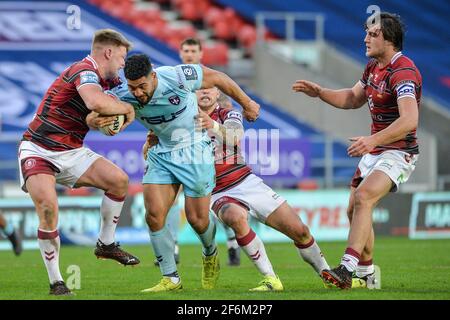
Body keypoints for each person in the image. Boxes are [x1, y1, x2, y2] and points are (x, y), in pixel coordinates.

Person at [90, 53, 259, 292]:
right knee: (154, 215)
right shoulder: (121, 94)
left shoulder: (178, 76)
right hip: (161, 151)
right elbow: (91, 114)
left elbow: (219, 78)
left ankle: (210, 253)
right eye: (132, 87)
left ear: (153, 76)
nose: (137, 92)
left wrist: (248, 103)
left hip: (195, 150)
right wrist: (97, 122)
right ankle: (171, 278)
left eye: (142, 86)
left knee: (197, 220)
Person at [144, 87, 330, 291]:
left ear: (217, 94)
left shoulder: (228, 114)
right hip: (215, 191)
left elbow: (235, 136)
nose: (205, 93)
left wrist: (212, 124)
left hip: (245, 181)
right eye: (199, 90)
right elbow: (148, 153)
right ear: (191, 95)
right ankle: (270, 278)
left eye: (209, 89)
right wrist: (149, 144)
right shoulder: (178, 121)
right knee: (234, 217)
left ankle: (328, 274)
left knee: (300, 231)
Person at [292, 12, 421, 289]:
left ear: (390, 40)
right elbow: (352, 98)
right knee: (353, 209)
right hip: (376, 149)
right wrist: (321, 92)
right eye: (366, 32)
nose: (365, 38)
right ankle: (366, 272)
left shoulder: (404, 71)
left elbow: (410, 120)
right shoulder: (373, 67)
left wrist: (373, 141)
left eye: (373, 34)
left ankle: (346, 270)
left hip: (398, 151)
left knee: (363, 197)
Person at [18, 29, 139, 296]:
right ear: (108, 52)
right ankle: (57, 282)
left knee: (118, 181)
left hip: (72, 150)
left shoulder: (104, 80)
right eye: (121, 57)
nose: (122, 63)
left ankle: (106, 244)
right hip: (39, 150)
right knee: (48, 208)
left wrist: (102, 120)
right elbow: (95, 101)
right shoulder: (84, 70)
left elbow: (90, 117)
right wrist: (125, 109)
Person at [154, 37, 241, 267]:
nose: (189, 54)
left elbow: (225, 115)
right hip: (182, 144)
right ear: (181, 54)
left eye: (193, 51)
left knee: (215, 197)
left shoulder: (210, 79)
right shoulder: (178, 78)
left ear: (200, 54)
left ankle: (232, 241)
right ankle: (172, 248)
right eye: (186, 51)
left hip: (209, 144)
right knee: (174, 198)